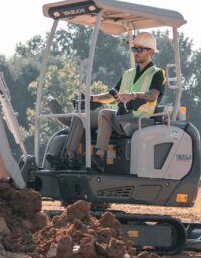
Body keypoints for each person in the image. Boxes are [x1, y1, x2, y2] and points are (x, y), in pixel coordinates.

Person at [62, 32, 165, 172]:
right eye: (134, 49)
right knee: (81, 115)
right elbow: (112, 95)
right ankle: (68, 157)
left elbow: (153, 95)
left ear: (151, 51)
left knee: (105, 114)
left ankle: (98, 158)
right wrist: (91, 98)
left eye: (139, 49)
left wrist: (133, 95)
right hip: (121, 117)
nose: (136, 52)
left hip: (140, 119)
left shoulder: (157, 73)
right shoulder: (129, 73)